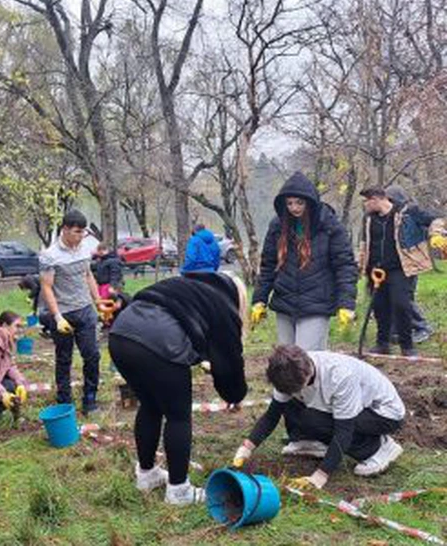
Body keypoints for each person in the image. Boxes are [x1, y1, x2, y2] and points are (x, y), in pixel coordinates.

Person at [108, 272, 249, 505]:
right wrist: (236, 394)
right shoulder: (224, 305)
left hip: (121, 334)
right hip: (160, 341)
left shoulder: (187, 284)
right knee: (178, 416)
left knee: (150, 406)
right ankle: (178, 490)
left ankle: (146, 474)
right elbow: (230, 364)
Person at [232, 345, 406, 489]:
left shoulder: (340, 377)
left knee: (319, 422)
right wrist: (246, 448)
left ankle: (379, 449)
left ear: (306, 377)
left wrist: (320, 476)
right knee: (293, 404)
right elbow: (272, 414)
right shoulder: (285, 369)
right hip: (350, 406)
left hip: (382, 413)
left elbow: (344, 431)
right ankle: (311, 442)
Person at [252, 172, 358, 350]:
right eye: (289, 203)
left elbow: (345, 266)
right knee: (287, 361)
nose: (294, 208)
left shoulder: (330, 226)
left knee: (308, 360)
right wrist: (259, 299)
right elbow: (268, 265)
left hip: (316, 302)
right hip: (285, 302)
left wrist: (346, 303)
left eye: (299, 202)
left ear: (310, 202)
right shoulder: (278, 226)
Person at [359, 186, 447, 356]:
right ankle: (382, 344)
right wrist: (361, 264)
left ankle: (407, 346)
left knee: (401, 305)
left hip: (400, 269)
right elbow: (365, 243)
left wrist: (436, 235)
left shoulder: (407, 212)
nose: (365, 205)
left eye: (366, 201)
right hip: (376, 269)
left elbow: (437, 220)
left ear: (376, 199)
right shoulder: (369, 219)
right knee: (379, 307)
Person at [38, 210, 105, 415]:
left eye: (83, 232)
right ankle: (64, 401)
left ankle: (90, 399)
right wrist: (57, 317)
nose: (80, 236)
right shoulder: (50, 255)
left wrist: (98, 301)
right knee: (64, 358)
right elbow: (46, 287)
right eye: (77, 232)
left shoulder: (84, 248)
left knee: (92, 355)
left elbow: (88, 275)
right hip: (63, 313)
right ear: (65, 230)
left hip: (85, 310)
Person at [385, 185, 435, 345]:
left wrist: (436, 235)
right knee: (390, 297)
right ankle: (396, 331)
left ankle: (422, 327)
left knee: (403, 298)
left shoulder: (412, 212)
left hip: (410, 263)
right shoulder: (385, 215)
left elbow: (435, 221)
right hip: (390, 265)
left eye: (390, 200)